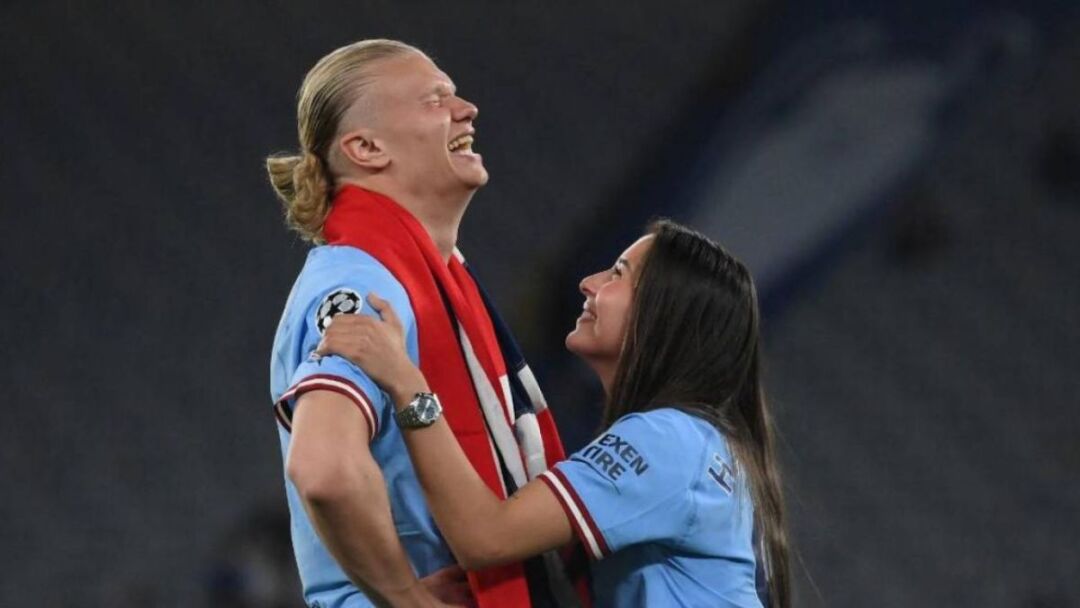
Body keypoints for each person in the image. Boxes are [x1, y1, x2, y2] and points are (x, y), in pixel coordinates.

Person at [317, 220, 793, 607]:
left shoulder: (669, 439)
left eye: (618, 274)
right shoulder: (699, 444)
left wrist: (407, 385)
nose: (590, 282)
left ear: (663, 315)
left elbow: (485, 537)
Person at [266, 39, 577, 608]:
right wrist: (408, 599)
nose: (467, 110)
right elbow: (322, 468)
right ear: (366, 148)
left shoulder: (425, 278)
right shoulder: (362, 282)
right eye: (435, 99)